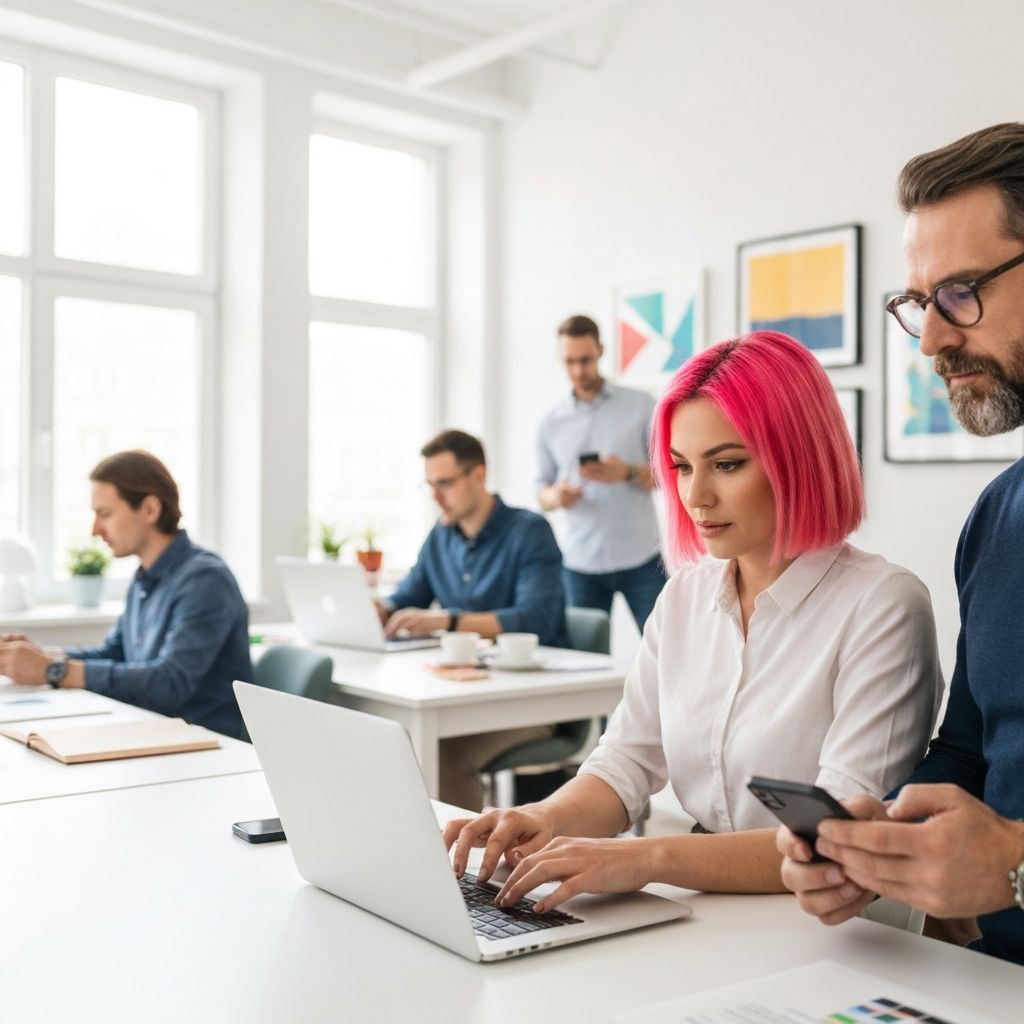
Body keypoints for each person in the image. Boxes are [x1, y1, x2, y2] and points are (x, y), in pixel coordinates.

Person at [443, 331, 942, 910]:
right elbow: (627, 761)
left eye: (726, 464)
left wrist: (645, 859)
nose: (694, 496)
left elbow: (833, 838)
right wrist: (541, 818)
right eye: (680, 467)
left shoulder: (882, 605)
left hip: (835, 919)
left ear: (798, 457)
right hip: (711, 901)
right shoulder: (685, 596)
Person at [777, 123, 1024, 967]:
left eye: (960, 292)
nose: (930, 340)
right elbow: (968, 750)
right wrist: (868, 841)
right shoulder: (999, 516)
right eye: (919, 303)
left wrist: (1018, 869)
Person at [377, 428, 568, 810]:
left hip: (529, 701)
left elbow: (536, 618)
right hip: (459, 694)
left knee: (443, 753)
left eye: (444, 483)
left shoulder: (529, 531)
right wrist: (377, 608)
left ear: (477, 476)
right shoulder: (441, 536)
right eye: (430, 485)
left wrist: (446, 621)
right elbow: (406, 597)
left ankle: (457, 867)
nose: (436, 497)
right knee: (391, 740)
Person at [0, 450, 252, 738]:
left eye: (104, 514)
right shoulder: (145, 577)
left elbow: (169, 684)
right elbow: (115, 652)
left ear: (149, 510)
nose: (95, 530)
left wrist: (53, 670)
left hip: (205, 746)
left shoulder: (206, 581)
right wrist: (35, 656)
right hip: (151, 733)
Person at [537, 314, 666, 631]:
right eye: (569, 362)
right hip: (581, 563)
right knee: (584, 661)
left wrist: (626, 473)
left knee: (669, 653)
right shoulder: (550, 422)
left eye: (586, 360)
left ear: (601, 351)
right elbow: (541, 490)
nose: (578, 371)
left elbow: (669, 474)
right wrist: (557, 496)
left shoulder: (641, 405)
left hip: (641, 559)